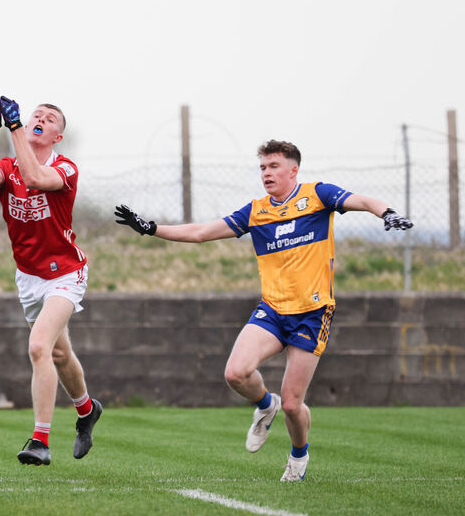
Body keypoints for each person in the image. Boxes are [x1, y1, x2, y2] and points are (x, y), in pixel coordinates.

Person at [115, 140, 412, 481]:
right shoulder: (256, 211)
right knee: (235, 374)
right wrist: (151, 228)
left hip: (313, 313)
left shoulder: (318, 195)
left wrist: (386, 212)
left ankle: (298, 456)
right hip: (272, 310)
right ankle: (263, 405)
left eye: (273, 167)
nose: (267, 173)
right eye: (262, 168)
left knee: (292, 404)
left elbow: (361, 200)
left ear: (292, 170)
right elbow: (200, 232)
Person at [0, 87, 102, 466]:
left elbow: (34, 178)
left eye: (49, 120)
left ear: (56, 137)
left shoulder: (65, 167)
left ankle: (39, 440)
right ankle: (86, 410)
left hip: (65, 272)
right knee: (60, 353)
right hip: (28, 277)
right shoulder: (7, 166)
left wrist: (14, 126)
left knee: (38, 347)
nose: (40, 120)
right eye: (36, 115)